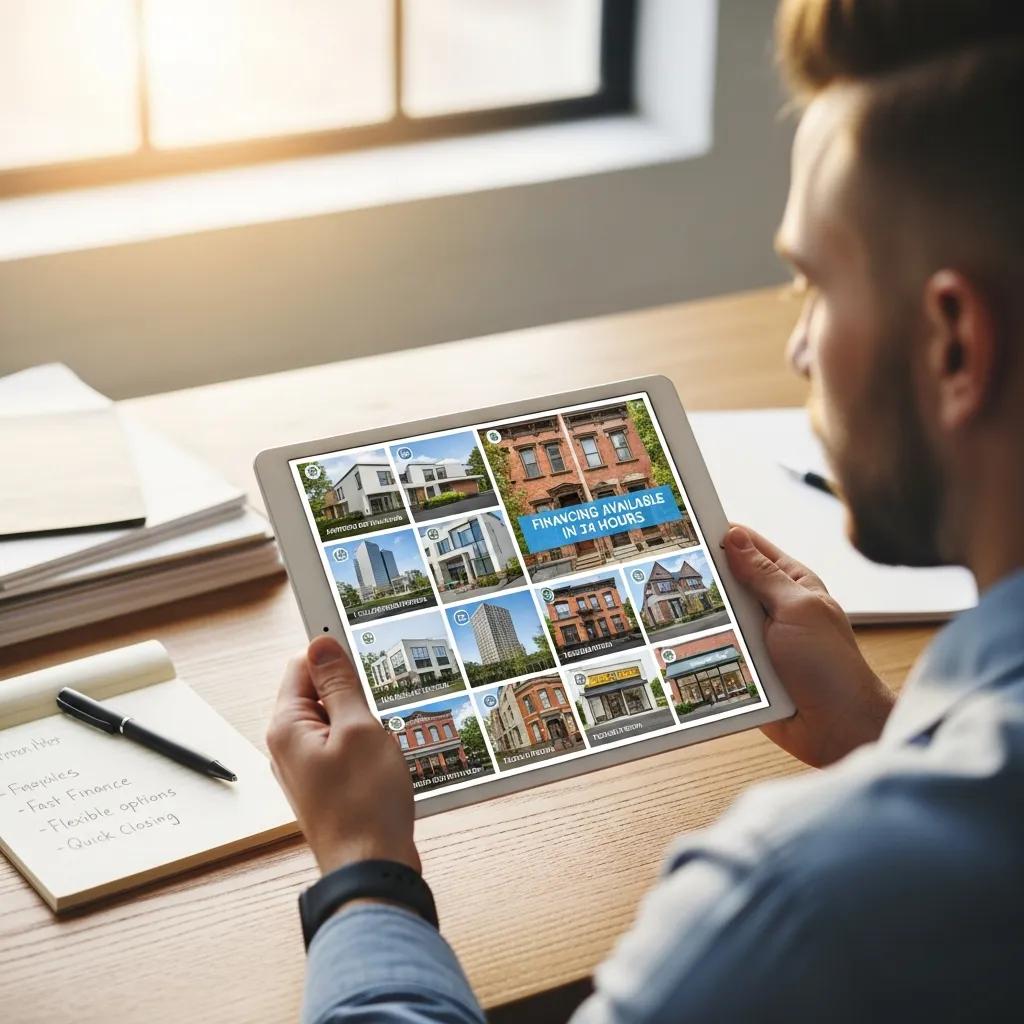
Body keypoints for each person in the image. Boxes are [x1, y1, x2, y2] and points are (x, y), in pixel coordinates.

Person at [267, 1, 1024, 1020]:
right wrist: (873, 739)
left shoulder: (789, 902)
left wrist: (363, 870)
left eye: (811, 283)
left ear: (953, 345)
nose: (799, 348)